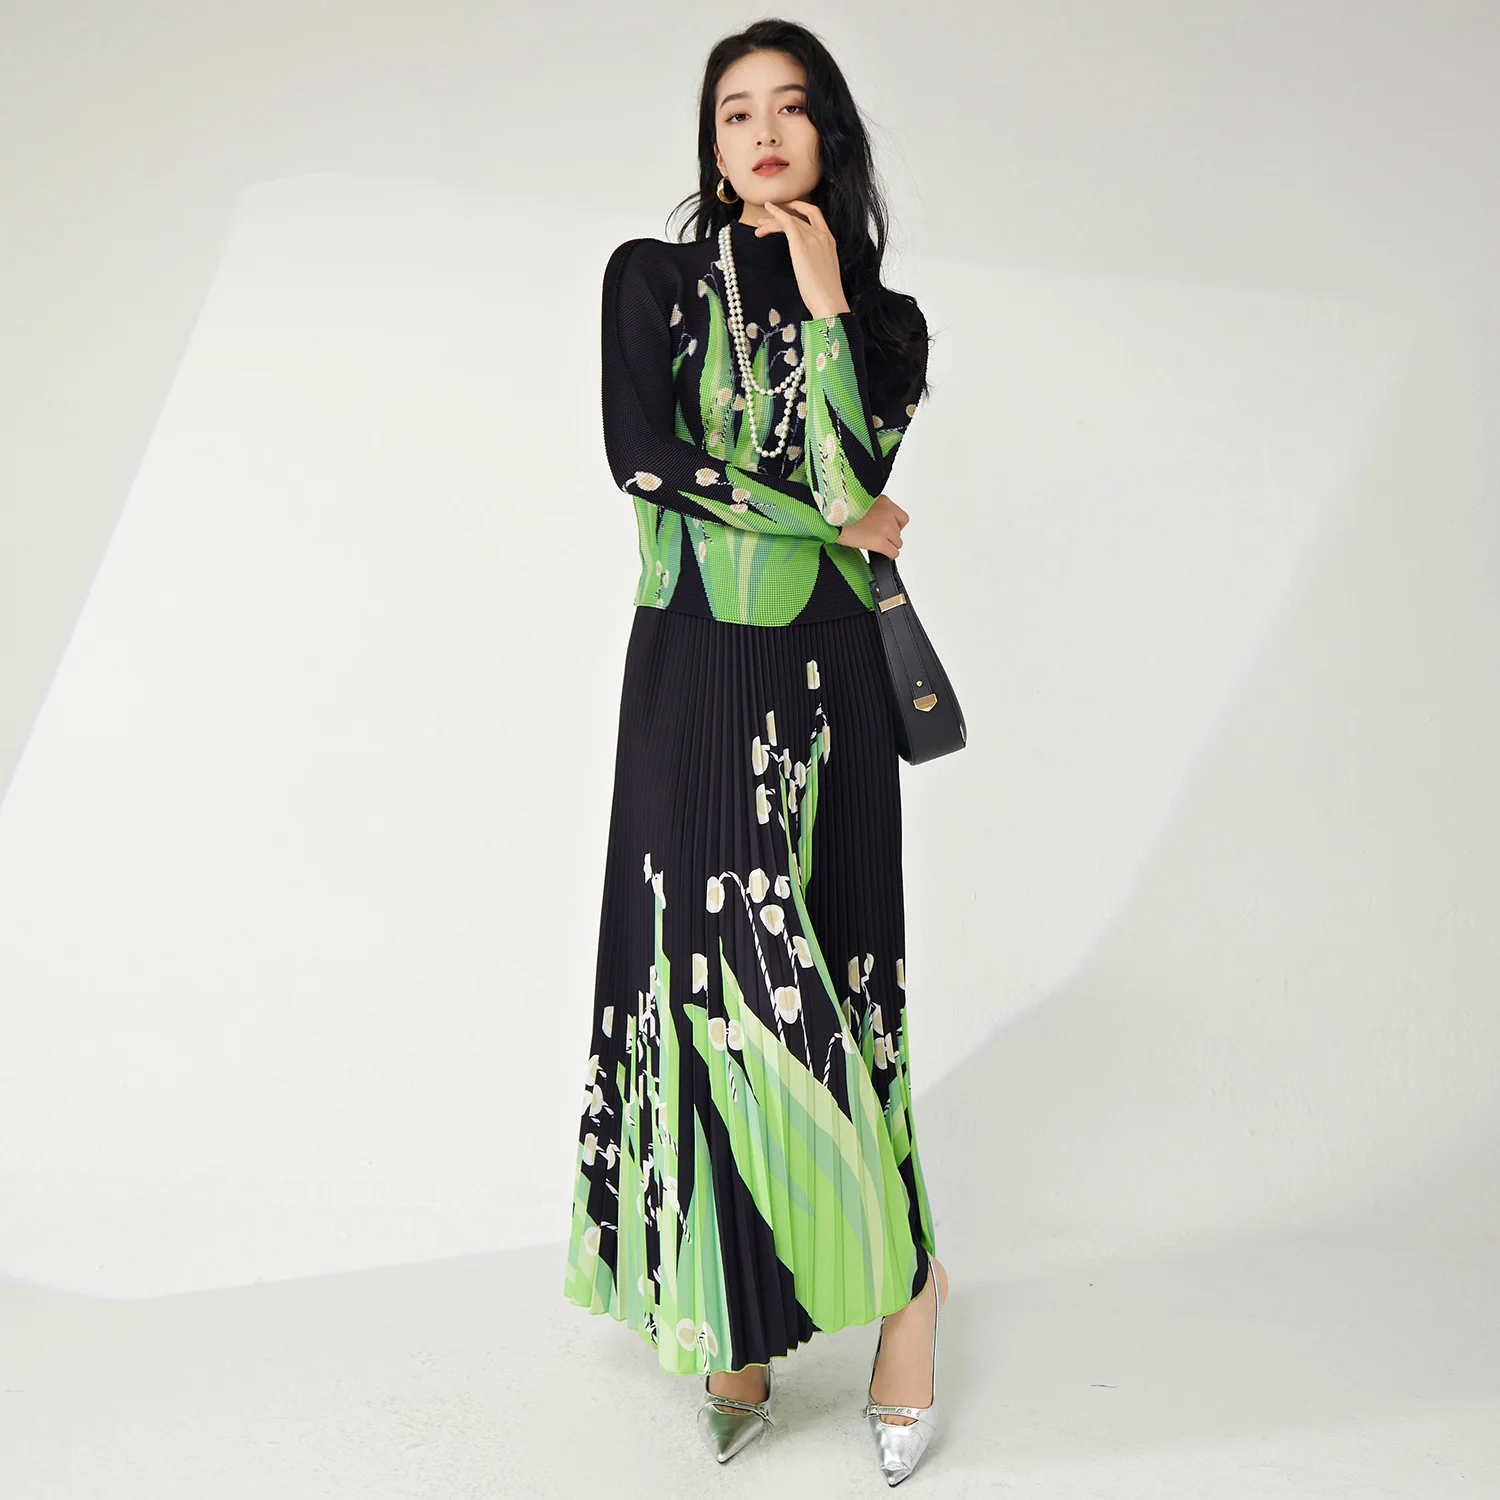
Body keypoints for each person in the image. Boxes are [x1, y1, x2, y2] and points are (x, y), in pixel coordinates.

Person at [562, 18, 949, 1485]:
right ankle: (739, 1309)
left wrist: (830, 303)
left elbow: (858, 468)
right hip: (696, 664)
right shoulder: (651, 282)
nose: (765, 131)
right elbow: (646, 461)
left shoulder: (890, 325)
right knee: (713, 972)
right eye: (737, 112)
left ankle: (906, 1296)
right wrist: (836, 521)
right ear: (713, 147)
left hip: (831, 676)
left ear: (828, 138)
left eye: (792, 108)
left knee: (837, 963)